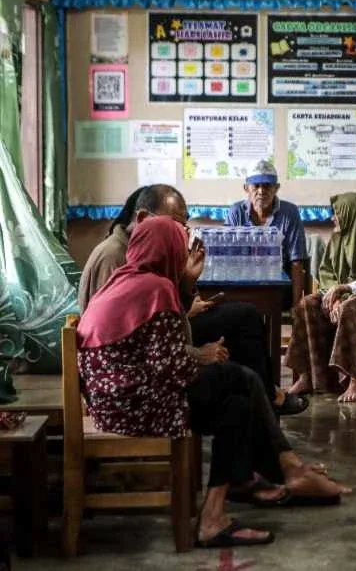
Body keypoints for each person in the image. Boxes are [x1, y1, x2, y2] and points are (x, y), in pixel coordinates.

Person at [77, 216, 284, 547]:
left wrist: (186, 286)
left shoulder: (124, 279)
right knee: (239, 378)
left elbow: (159, 355)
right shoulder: (156, 289)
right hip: (137, 406)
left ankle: (214, 517)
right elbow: (172, 368)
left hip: (112, 402)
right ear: (168, 250)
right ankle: (278, 461)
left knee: (237, 406)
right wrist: (204, 362)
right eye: (178, 246)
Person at [79, 185, 308, 416]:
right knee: (237, 366)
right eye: (177, 225)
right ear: (143, 219)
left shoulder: (147, 252)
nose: (185, 233)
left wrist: (187, 284)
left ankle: (262, 399)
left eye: (185, 225)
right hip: (134, 384)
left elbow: (157, 322)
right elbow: (127, 346)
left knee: (244, 319)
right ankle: (263, 402)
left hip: (162, 348)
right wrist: (198, 353)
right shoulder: (113, 258)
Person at [286, 193, 356, 402]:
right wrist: (335, 295)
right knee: (307, 304)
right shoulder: (338, 239)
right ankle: (309, 376)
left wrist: (344, 290)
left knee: (350, 307)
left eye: (337, 213)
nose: (333, 218)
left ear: (351, 214)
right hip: (346, 296)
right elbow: (327, 274)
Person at [225, 160, 308, 308]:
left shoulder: (290, 213)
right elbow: (228, 258)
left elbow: (297, 262)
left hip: (278, 285)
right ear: (246, 188)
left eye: (267, 186)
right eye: (256, 186)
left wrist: (297, 306)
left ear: (276, 188)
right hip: (243, 283)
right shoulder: (235, 212)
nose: (261, 191)